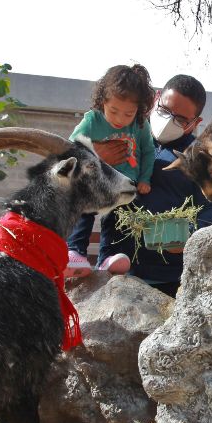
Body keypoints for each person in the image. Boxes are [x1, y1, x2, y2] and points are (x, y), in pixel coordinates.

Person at [95, 74, 212, 297]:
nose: (168, 121)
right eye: (165, 111)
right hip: (115, 267)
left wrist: (189, 234)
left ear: (195, 123)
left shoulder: (201, 158)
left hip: (167, 279)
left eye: (181, 120)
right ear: (157, 98)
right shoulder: (124, 133)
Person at [65, 64, 156, 277]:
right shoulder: (92, 119)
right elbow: (71, 147)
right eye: (113, 111)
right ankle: (75, 252)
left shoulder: (141, 126)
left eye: (128, 113)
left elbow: (149, 152)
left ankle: (110, 257)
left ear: (139, 110)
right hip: (93, 180)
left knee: (122, 215)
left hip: (123, 184)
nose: (120, 119)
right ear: (103, 101)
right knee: (81, 206)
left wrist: (144, 178)